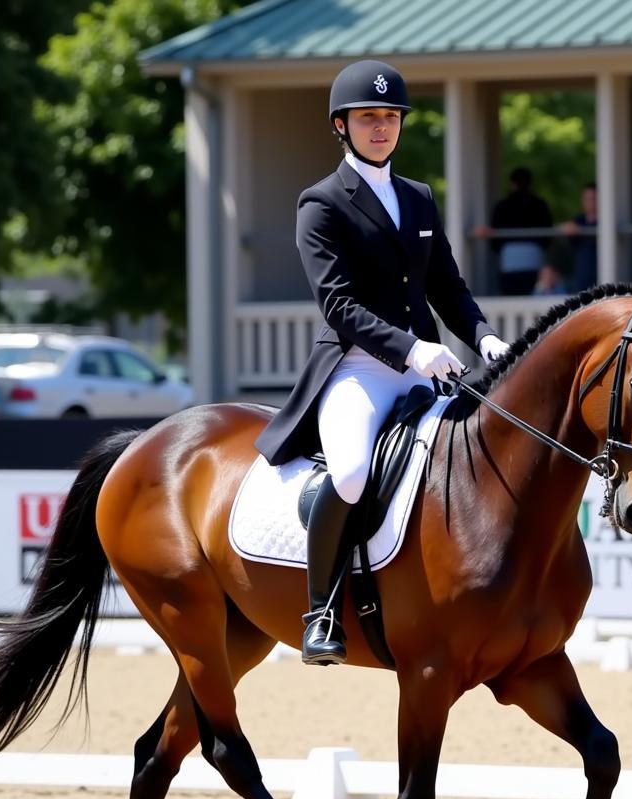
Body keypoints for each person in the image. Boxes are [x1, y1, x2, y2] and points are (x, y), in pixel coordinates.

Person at [254, 60, 509, 666]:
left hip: (427, 364)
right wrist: (412, 348)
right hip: (360, 367)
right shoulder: (320, 203)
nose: (381, 128)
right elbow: (338, 304)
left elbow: (447, 285)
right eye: (368, 118)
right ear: (341, 126)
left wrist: (485, 337)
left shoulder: (418, 198)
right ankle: (320, 611)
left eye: (390, 117)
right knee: (348, 475)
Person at [473, 167, 553, 295]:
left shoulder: (503, 206)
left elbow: (495, 242)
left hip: (509, 261)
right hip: (534, 258)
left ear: (512, 184)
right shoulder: (539, 204)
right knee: (533, 295)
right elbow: (548, 237)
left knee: (512, 295)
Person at [559, 183, 598, 292]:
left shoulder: (605, 221)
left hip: (599, 273)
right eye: (586, 198)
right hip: (582, 275)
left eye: (593, 198)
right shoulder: (579, 220)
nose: (590, 202)